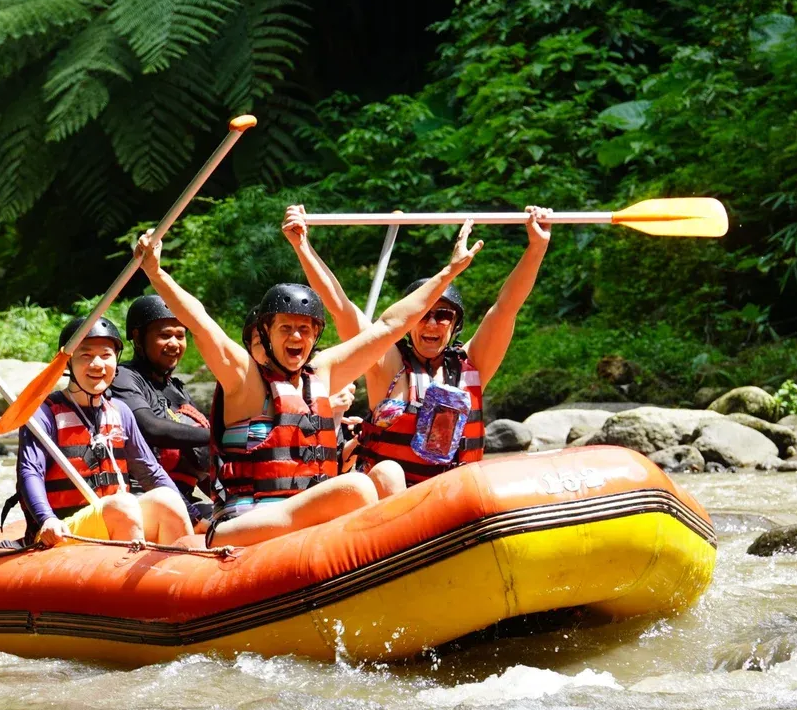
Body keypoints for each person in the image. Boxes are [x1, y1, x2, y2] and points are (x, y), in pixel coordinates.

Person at [135, 218, 483, 548]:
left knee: (387, 473)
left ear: (316, 336)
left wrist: (449, 271)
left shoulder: (323, 373)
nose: (296, 336)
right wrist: (156, 272)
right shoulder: (245, 379)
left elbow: (390, 325)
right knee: (355, 489)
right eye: (285, 327)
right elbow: (201, 322)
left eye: (305, 329)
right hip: (246, 523)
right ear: (266, 333)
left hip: (307, 524)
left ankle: (406, 565)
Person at [281, 203, 552, 492]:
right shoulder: (386, 362)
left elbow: (506, 308)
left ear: (455, 325)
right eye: (423, 315)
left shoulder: (472, 364)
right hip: (392, 502)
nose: (432, 324)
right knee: (388, 474)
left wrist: (536, 248)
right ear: (408, 323)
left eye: (443, 315)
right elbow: (341, 307)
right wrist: (303, 246)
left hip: (452, 500)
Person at [13, 316, 194, 548]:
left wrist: (193, 514)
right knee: (123, 505)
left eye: (106, 355)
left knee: (167, 499)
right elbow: (30, 472)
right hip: (63, 530)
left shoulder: (121, 412)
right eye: (86, 355)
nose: (98, 364)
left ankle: (179, 576)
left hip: (114, 518)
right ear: (67, 362)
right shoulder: (43, 414)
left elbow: (151, 472)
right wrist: (46, 519)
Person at [110, 294, 216, 521]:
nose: (175, 343)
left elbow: (200, 454)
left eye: (180, 336)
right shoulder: (123, 378)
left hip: (183, 499)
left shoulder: (177, 389)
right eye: (165, 335)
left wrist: (229, 500)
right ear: (138, 338)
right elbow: (151, 428)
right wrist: (217, 435)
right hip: (144, 497)